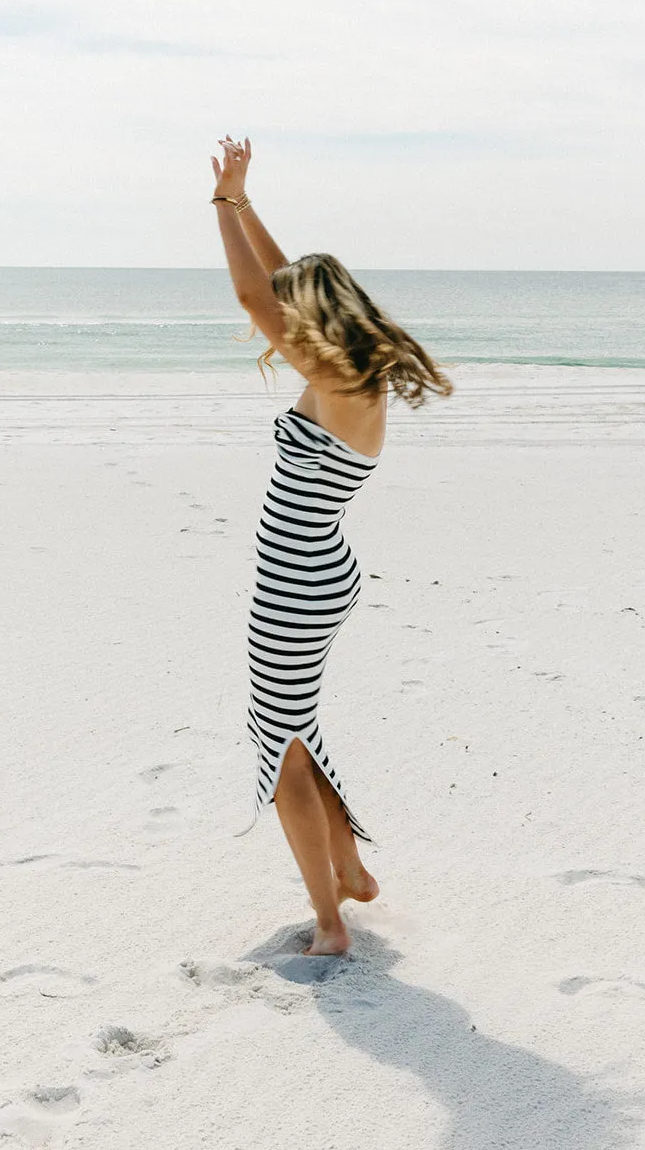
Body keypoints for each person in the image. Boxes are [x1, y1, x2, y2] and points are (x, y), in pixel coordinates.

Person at [210, 135, 453, 955]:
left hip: (300, 582)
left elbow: (253, 296)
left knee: (279, 746)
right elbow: (275, 289)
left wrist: (219, 209)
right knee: (290, 725)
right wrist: (243, 202)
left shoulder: (341, 379)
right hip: (307, 573)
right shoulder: (347, 368)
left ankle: (327, 925)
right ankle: (347, 872)